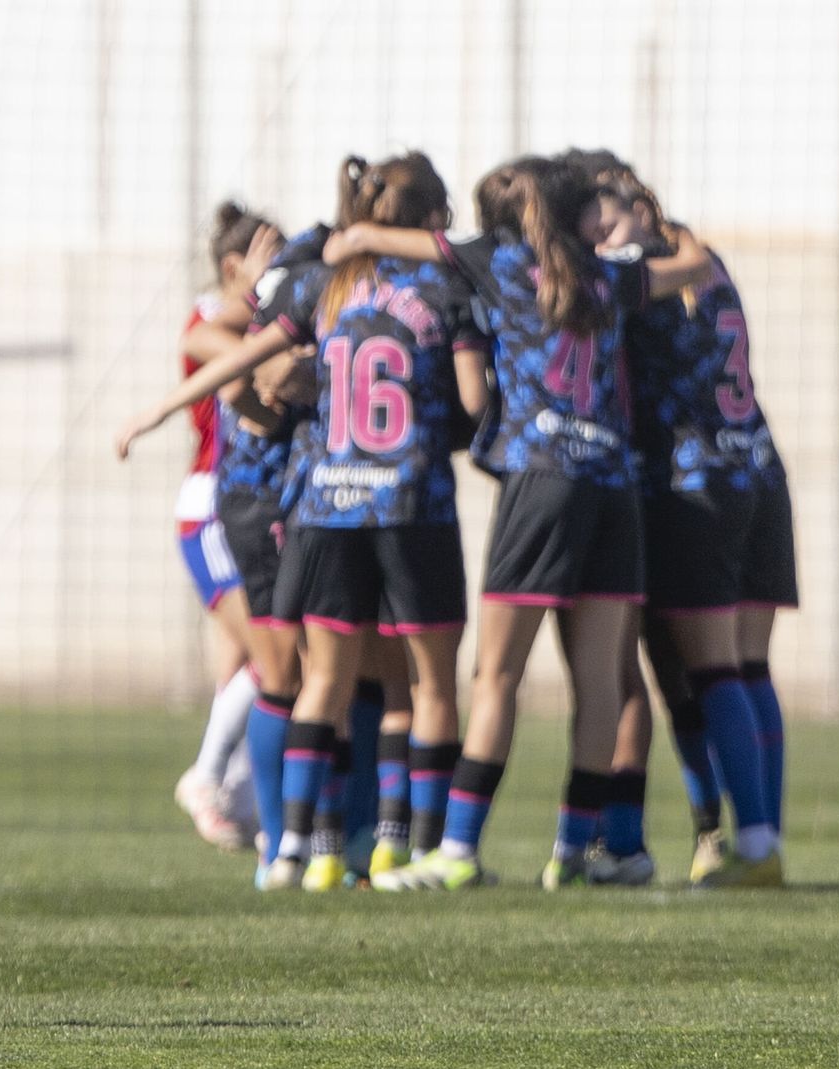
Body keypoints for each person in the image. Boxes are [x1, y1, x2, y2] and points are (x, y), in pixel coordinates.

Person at [321, 156, 712, 891]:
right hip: (615, 483)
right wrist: (675, 233)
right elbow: (689, 267)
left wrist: (352, 238)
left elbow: (417, 246)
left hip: (542, 479)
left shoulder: (499, 259)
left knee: (496, 674)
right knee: (599, 680)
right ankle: (574, 850)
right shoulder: (608, 275)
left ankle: (458, 848)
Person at [118, 152, 489, 891]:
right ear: (431, 219)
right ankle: (405, 847)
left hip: (324, 502)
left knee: (329, 679)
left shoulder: (325, 279)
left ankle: (308, 848)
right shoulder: (442, 284)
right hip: (387, 501)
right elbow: (473, 408)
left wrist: (162, 408)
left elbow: (249, 350)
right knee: (399, 683)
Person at [584, 163, 795, 888]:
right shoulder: (707, 258)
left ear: (642, 210)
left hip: (695, 484)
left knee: (703, 671)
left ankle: (753, 845)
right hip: (760, 471)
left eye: (607, 225)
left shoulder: (641, 276)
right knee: (746, 668)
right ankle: (750, 838)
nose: (602, 243)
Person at [171, 202, 283, 851]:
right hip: (214, 504)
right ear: (237, 266)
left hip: (254, 503)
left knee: (245, 662)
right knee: (273, 654)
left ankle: (236, 795)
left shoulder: (256, 318)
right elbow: (218, 348)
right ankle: (209, 776)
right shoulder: (209, 318)